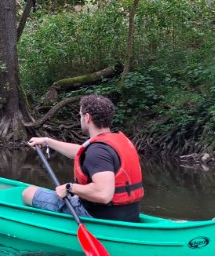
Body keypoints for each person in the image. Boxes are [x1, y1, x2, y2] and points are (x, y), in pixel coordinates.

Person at [21, 94, 143, 223]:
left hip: (99, 216)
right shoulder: (113, 143)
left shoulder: (97, 151)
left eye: (80, 115)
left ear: (87, 117)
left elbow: (103, 194)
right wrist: (47, 141)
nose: (80, 119)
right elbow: (82, 152)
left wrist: (70, 188)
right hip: (130, 215)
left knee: (27, 193)